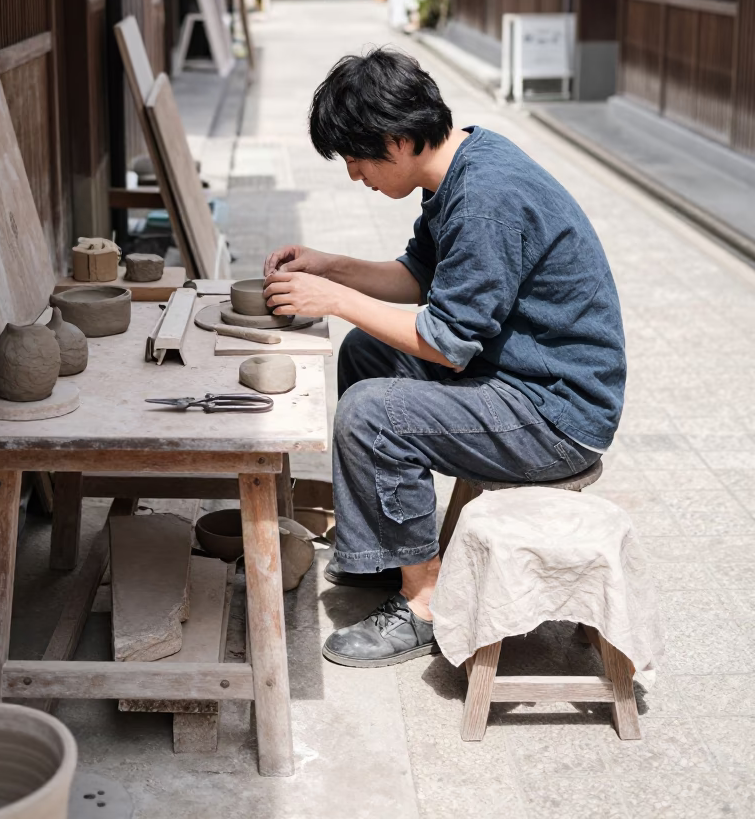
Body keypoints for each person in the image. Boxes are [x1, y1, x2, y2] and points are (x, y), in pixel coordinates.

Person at [263, 48, 626, 668]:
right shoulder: (461, 166)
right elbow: (419, 276)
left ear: (399, 140)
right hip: (516, 374)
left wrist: (336, 297)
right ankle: (388, 552)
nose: (354, 174)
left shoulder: (487, 195)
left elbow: (446, 342)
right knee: (367, 352)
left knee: (373, 413)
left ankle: (425, 598)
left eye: (357, 157)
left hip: (558, 414)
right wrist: (331, 265)